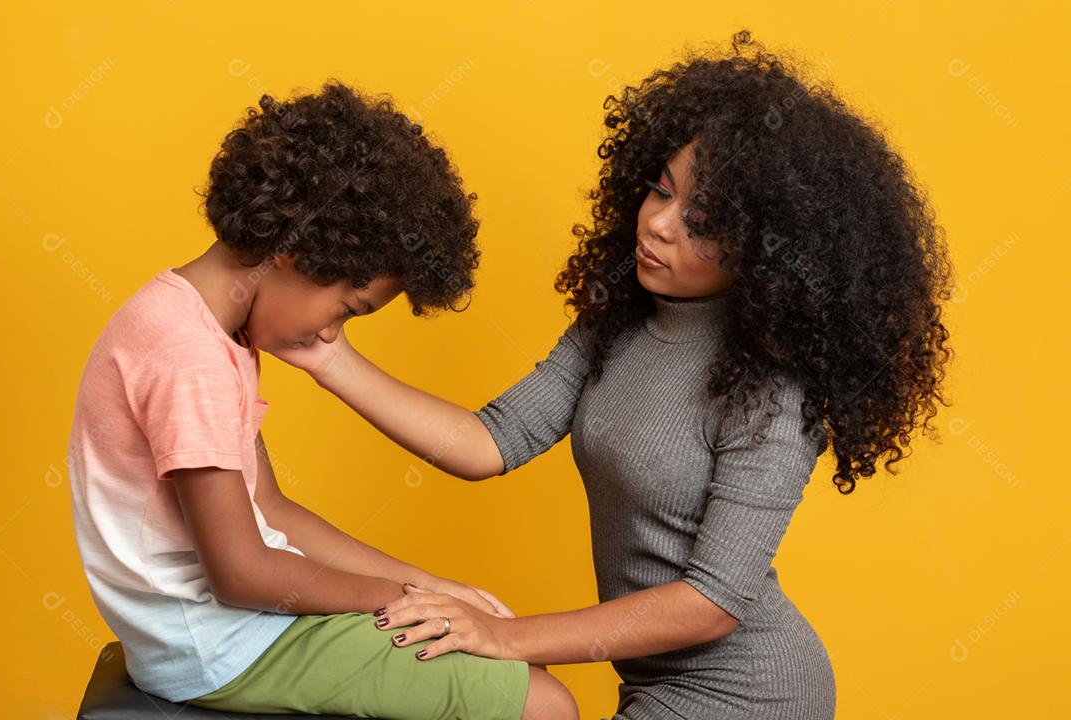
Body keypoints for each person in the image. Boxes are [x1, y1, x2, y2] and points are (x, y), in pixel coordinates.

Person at [275, 31, 954, 719]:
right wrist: (330, 359)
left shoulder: (772, 391)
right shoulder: (616, 322)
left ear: (767, 245)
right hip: (651, 684)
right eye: (659, 191)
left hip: (752, 694)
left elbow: (712, 602)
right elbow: (489, 441)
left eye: (701, 221)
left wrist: (506, 637)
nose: (658, 225)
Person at [68, 80, 578, 720]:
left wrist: (430, 588)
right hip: (223, 645)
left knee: (510, 660)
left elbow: (272, 512)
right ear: (295, 251)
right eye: (348, 308)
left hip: (230, 633)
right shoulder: (188, 357)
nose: (332, 333)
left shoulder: (201, 327)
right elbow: (241, 572)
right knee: (543, 704)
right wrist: (398, 599)